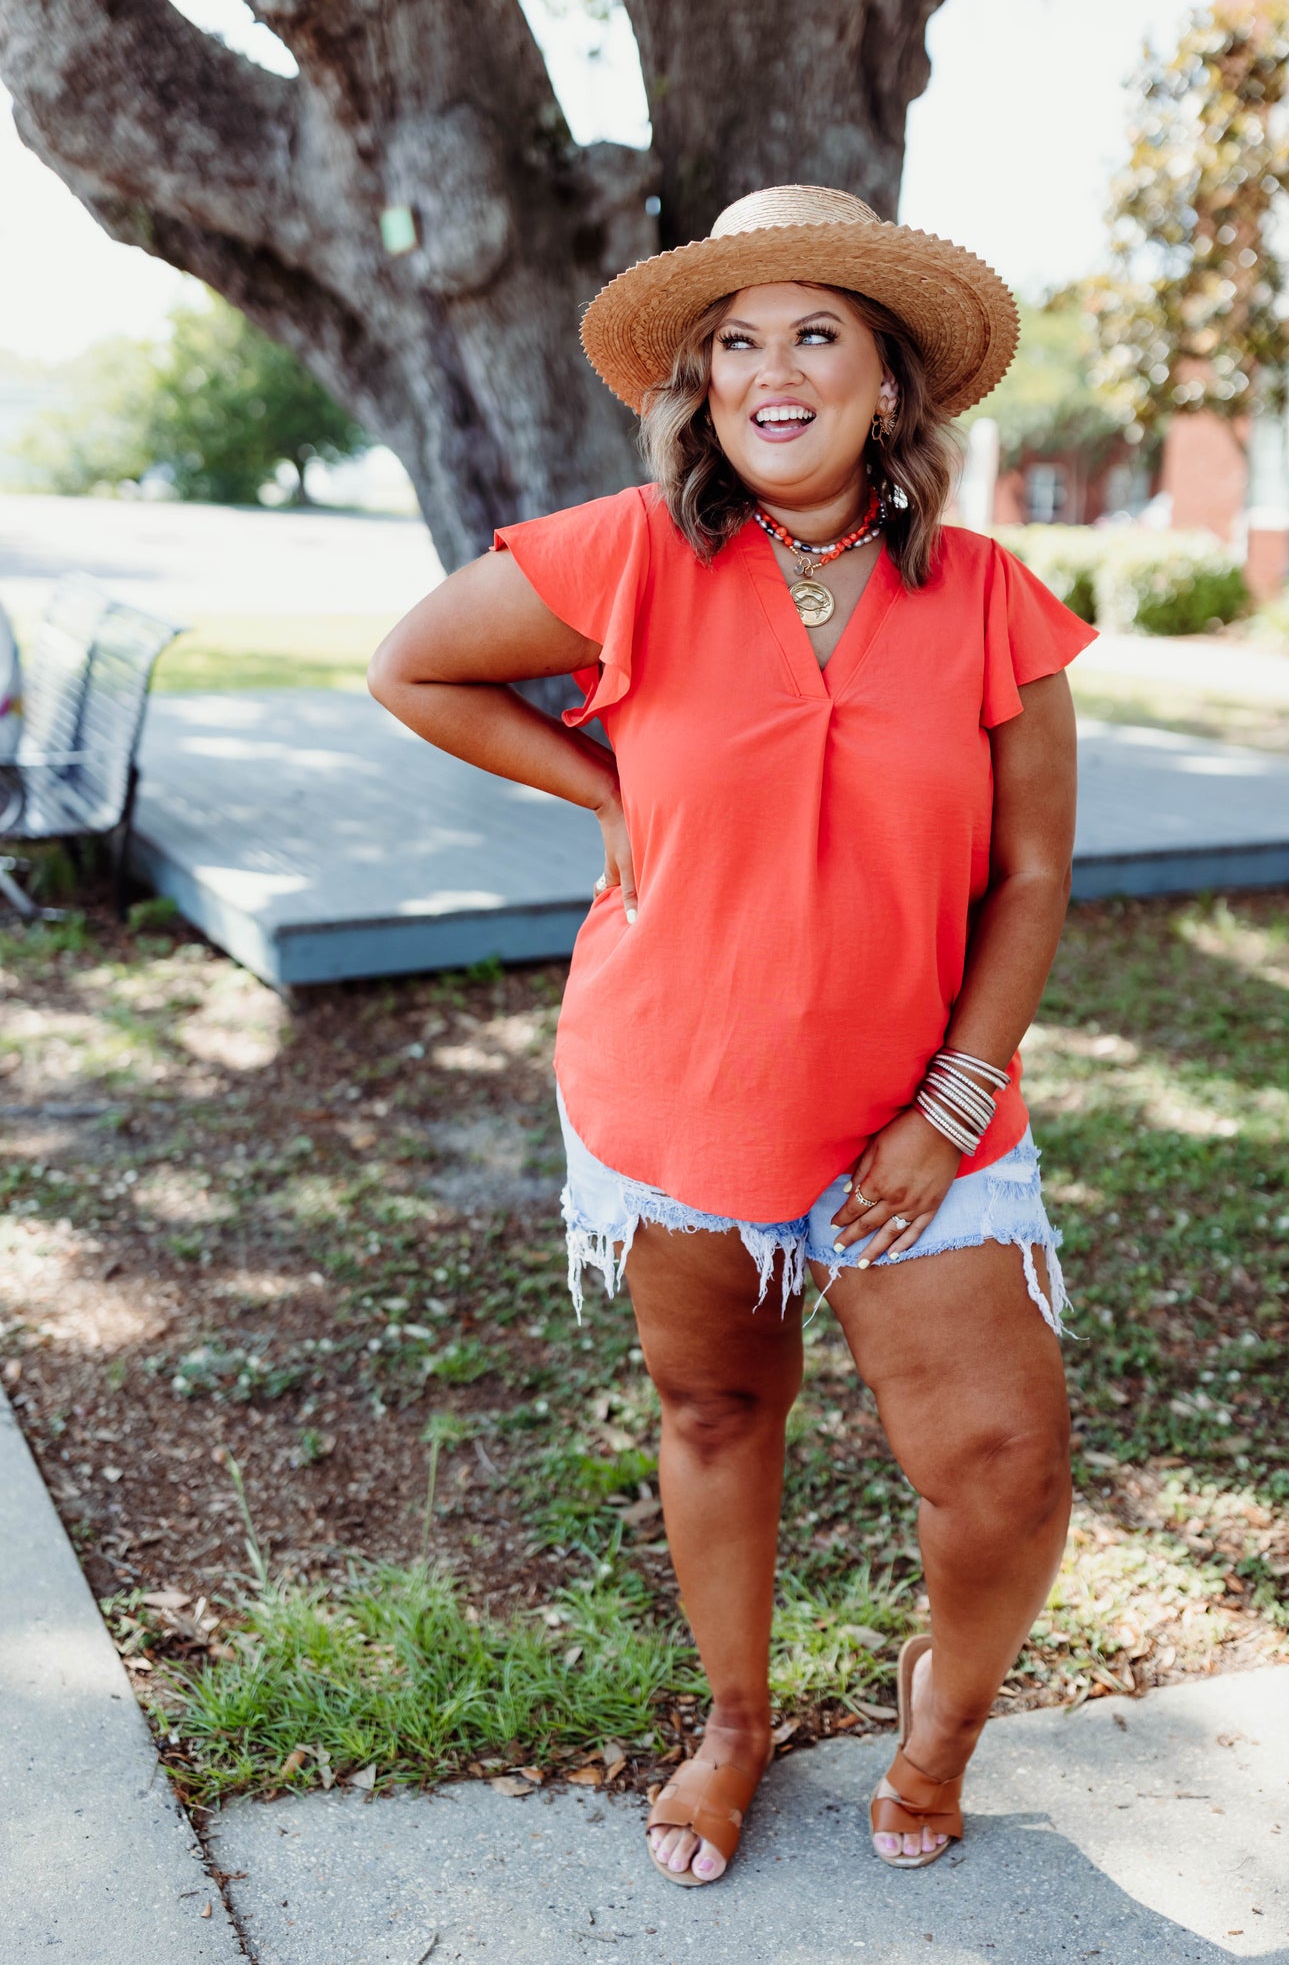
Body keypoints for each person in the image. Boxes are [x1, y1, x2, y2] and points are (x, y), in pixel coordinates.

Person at [369, 184, 1098, 1888]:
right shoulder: (633, 552)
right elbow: (417, 667)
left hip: (922, 1115)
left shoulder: (992, 597)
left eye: (816, 335)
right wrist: (606, 786)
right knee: (712, 1413)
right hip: (676, 1094)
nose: (775, 372)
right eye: (737, 343)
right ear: (701, 385)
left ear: (891, 384)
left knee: (1001, 1464)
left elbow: (1037, 868)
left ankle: (941, 1728)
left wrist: (954, 1099)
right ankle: (737, 1724)